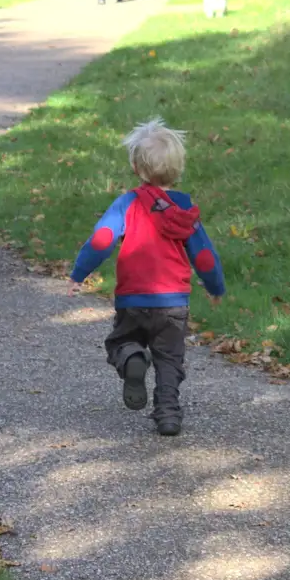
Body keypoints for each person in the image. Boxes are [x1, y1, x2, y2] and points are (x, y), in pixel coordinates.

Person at [68, 118, 225, 437]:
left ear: (137, 169)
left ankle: (131, 358)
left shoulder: (128, 203)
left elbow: (102, 240)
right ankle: (168, 414)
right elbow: (204, 255)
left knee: (121, 340)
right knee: (170, 358)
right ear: (177, 170)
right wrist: (215, 286)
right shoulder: (185, 210)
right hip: (173, 303)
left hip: (133, 298)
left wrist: (79, 273)